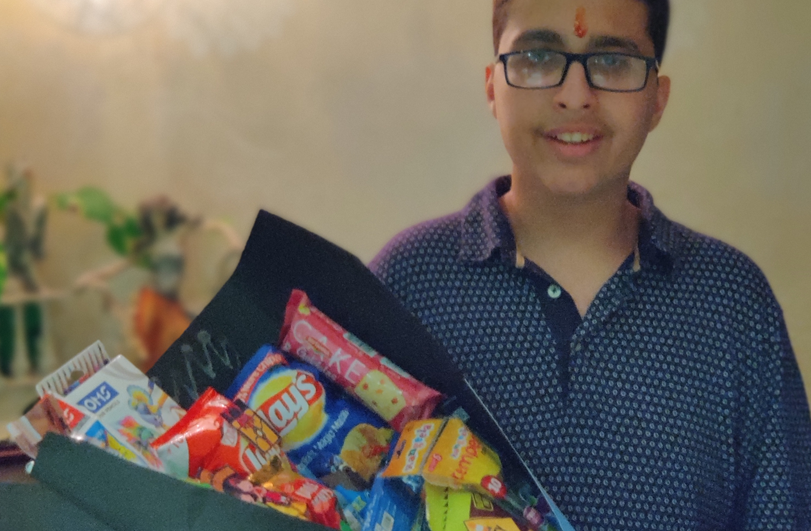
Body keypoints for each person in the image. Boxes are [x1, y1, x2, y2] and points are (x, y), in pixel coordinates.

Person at [369, 0, 811, 529]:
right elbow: (341, 488)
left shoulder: (732, 303)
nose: (576, 96)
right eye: (537, 57)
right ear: (492, 86)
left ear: (657, 99)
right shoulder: (410, 281)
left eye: (612, 62)